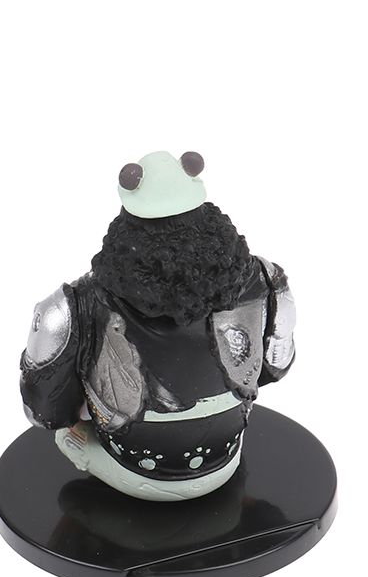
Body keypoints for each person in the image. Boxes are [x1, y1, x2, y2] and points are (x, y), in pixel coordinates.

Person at [20, 150, 296, 501]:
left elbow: (43, 412)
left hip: (129, 463)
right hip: (228, 452)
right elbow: (276, 366)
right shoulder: (267, 280)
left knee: (67, 436)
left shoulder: (74, 304)